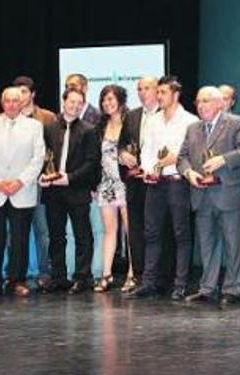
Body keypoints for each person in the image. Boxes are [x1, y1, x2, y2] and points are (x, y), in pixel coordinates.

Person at [179, 86, 240, 304]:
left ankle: (233, 289)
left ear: (219, 103)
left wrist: (224, 159)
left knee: (233, 243)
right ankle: (207, 287)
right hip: (201, 194)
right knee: (206, 244)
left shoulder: (236, 123)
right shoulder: (193, 128)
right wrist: (188, 172)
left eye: (206, 101)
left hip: (228, 192)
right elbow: (182, 157)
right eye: (198, 102)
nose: (201, 106)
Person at [126, 75, 199, 300]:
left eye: (163, 92)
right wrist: (149, 168)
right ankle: (148, 281)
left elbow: (190, 153)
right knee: (151, 233)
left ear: (175, 95)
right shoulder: (154, 120)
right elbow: (147, 150)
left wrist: (174, 159)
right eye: (157, 92)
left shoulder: (189, 121)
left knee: (181, 234)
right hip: (155, 184)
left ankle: (180, 284)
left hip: (178, 182)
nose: (159, 96)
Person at [0, 87, 45, 297]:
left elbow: (38, 158)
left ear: (23, 102)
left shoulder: (34, 126)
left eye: (16, 100)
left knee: (20, 239)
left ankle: (17, 281)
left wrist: (19, 182)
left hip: (22, 191)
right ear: (2, 102)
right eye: (8, 100)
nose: (12, 104)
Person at [40, 88, 100, 294]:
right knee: (56, 236)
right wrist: (43, 176)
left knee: (83, 235)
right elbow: (43, 157)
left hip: (77, 190)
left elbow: (92, 163)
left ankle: (83, 277)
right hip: (53, 191)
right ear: (63, 101)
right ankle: (58, 277)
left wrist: (70, 178)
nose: (75, 106)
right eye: (71, 102)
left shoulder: (89, 130)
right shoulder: (49, 128)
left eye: (79, 103)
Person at [116, 76, 160, 292]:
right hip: (135, 182)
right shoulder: (132, 116)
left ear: (158, 90)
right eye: (139, 89)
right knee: (136, 230)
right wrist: (123, 155)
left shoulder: (166, 114)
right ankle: (141, 276)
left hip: (158, 182)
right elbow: (122, 144)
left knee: (158, 230)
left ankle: (161, 276)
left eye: (147, 88)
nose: (142, 92)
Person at [13, 75, 57, 287]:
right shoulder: (9, 117)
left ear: (32, 94)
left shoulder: (48, 117)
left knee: (43, 231)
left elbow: (55, 151)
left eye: (24, 92)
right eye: (17, 92)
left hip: (41, 183)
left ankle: (45, 272)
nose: (20, 97)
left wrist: (49, 174)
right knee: (16, 232)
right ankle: (14, 274)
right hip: (16, 185)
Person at [92, 85, 131, 292]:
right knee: (109, 230)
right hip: (106, 184)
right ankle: (106, 275)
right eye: (104, 100)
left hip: (126, 183)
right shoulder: (100, 126)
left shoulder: (131, 122)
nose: (107, 103)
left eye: (111, 99)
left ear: (121, 100)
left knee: (129, 231)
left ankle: (133, 274)